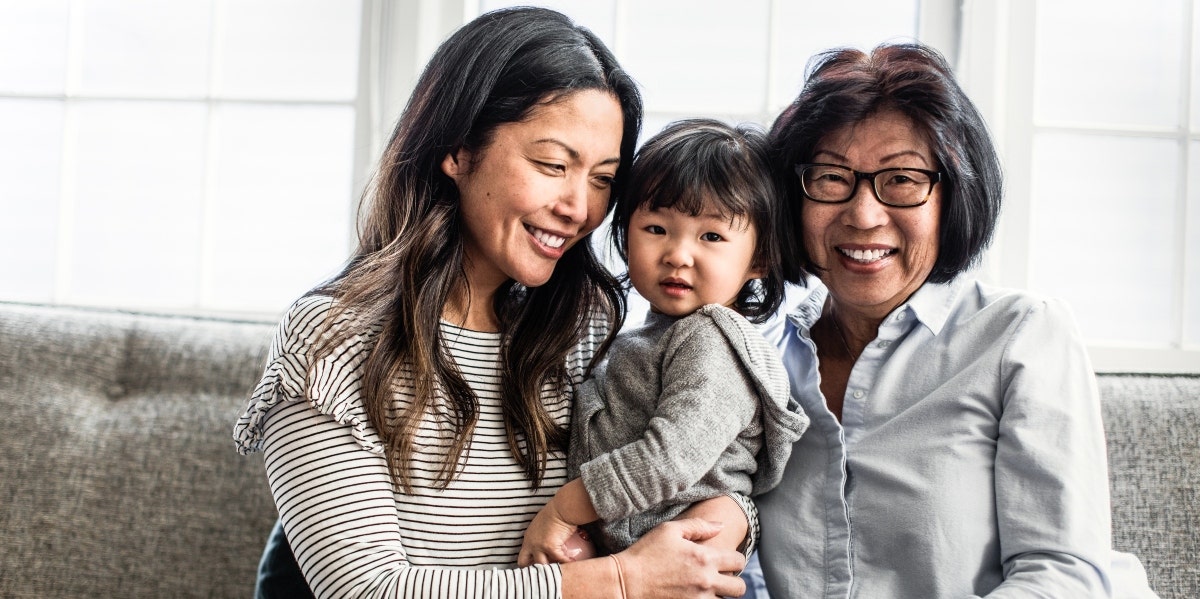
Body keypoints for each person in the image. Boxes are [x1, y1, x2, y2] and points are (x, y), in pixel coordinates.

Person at [232, 7, 748, 599]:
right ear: (458, 149)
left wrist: (734, 519)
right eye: (553, 165)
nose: (579, 207)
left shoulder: (584, 328)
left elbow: (674, 474)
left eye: (603, 179)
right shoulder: (331, 339)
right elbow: (365, 590)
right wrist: (620, 579)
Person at [755, 42, 1157, 597]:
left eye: (902, 179)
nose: (864, 215)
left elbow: (1060, 576)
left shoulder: (1021, 337)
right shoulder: (754, 356)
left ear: (954, 195)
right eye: (829, 177)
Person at [517, 119, 809, 565]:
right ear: (625, 233)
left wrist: (563, 509)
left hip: (679, 559)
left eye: (711, 236)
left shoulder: (715, 340)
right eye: (656, 228)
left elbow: (670, 459)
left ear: (761, 258)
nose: (677, 254)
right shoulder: (651, 334)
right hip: (630, 550)